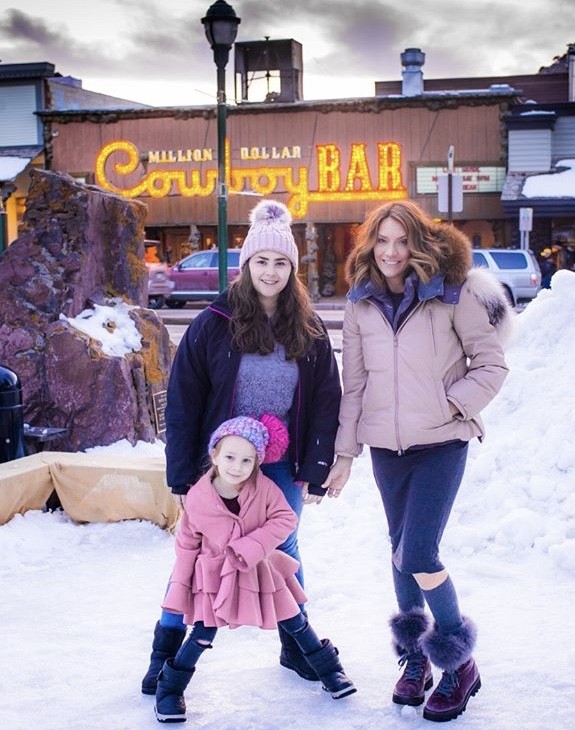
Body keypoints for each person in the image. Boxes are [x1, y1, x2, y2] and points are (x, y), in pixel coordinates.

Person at [141, 199, 342, 697]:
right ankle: (164, 654)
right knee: (192, 557)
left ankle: (297, 650)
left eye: (280, 263)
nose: (270, 272)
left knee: (283, 550)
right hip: (222, 465)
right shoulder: (214, 322)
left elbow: (325, 400)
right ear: (246, 264)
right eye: (261, 261)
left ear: (292, 268)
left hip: (280, 464)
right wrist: (183, 474)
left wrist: (316, 468)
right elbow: (185, 401)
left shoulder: (309, 329)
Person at [323, 200, 513, 723]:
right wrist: (345, 453)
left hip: (442, 444)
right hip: (388, 449)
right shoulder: (360, 305)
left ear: (418, 244)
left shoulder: (454, 294)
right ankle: (414, 660)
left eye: (400, 240)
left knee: (420, 552)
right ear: (369, 245)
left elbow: (492, 363)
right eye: (381, 241)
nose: (390, 251)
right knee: (397, 549)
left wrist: (452, 406)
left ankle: (458, 663)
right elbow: (355, 384)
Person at [154, 416, 356, 722]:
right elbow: (186, 545)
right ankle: (169, 690)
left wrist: (252, 545)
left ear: (257, 463)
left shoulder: (265, 488)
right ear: (215, 456)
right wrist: (180, 587)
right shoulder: (197, 497)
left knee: (295, 620)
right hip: (215, 577)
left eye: (247, 460)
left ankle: (330, 672)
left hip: (260, 570)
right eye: (230, 457)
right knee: (203, 633)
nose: (237, 467)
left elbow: (285, 519)